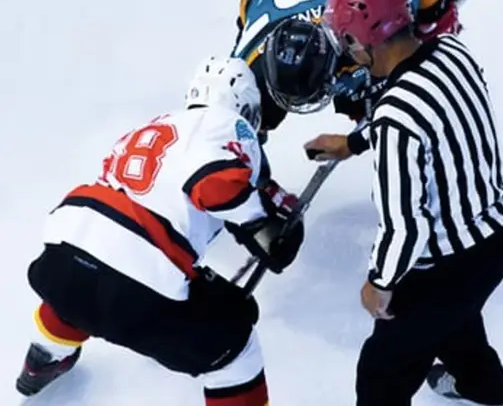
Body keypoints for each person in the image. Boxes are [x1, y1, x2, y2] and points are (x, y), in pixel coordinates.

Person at [15, 57, 305, 406]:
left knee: (84, 282)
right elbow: (213, 185)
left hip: (63, 256)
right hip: (133, 285)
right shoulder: (229, 124)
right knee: (235, 349)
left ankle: (42, 359)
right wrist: (261, 223)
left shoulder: (159, 124)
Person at [307, 0, 503, 406]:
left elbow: (406, 228)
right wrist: (354, 142)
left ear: (362, 40)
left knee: (382, 371)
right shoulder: (452, 52)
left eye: (347, 39)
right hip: (498, 236)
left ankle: (481, 385)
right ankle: (485, 388)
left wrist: (379, 283)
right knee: (454, 321)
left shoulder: (396, 119)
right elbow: (430, 120)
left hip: (451, 262)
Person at [230, 0, 461, 136]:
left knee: (385, 41)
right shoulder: (244, 79)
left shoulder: (351, 19)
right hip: (264, 0)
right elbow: (229, 131)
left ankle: (364, 98)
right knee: (254, 120)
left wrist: (433, 20)